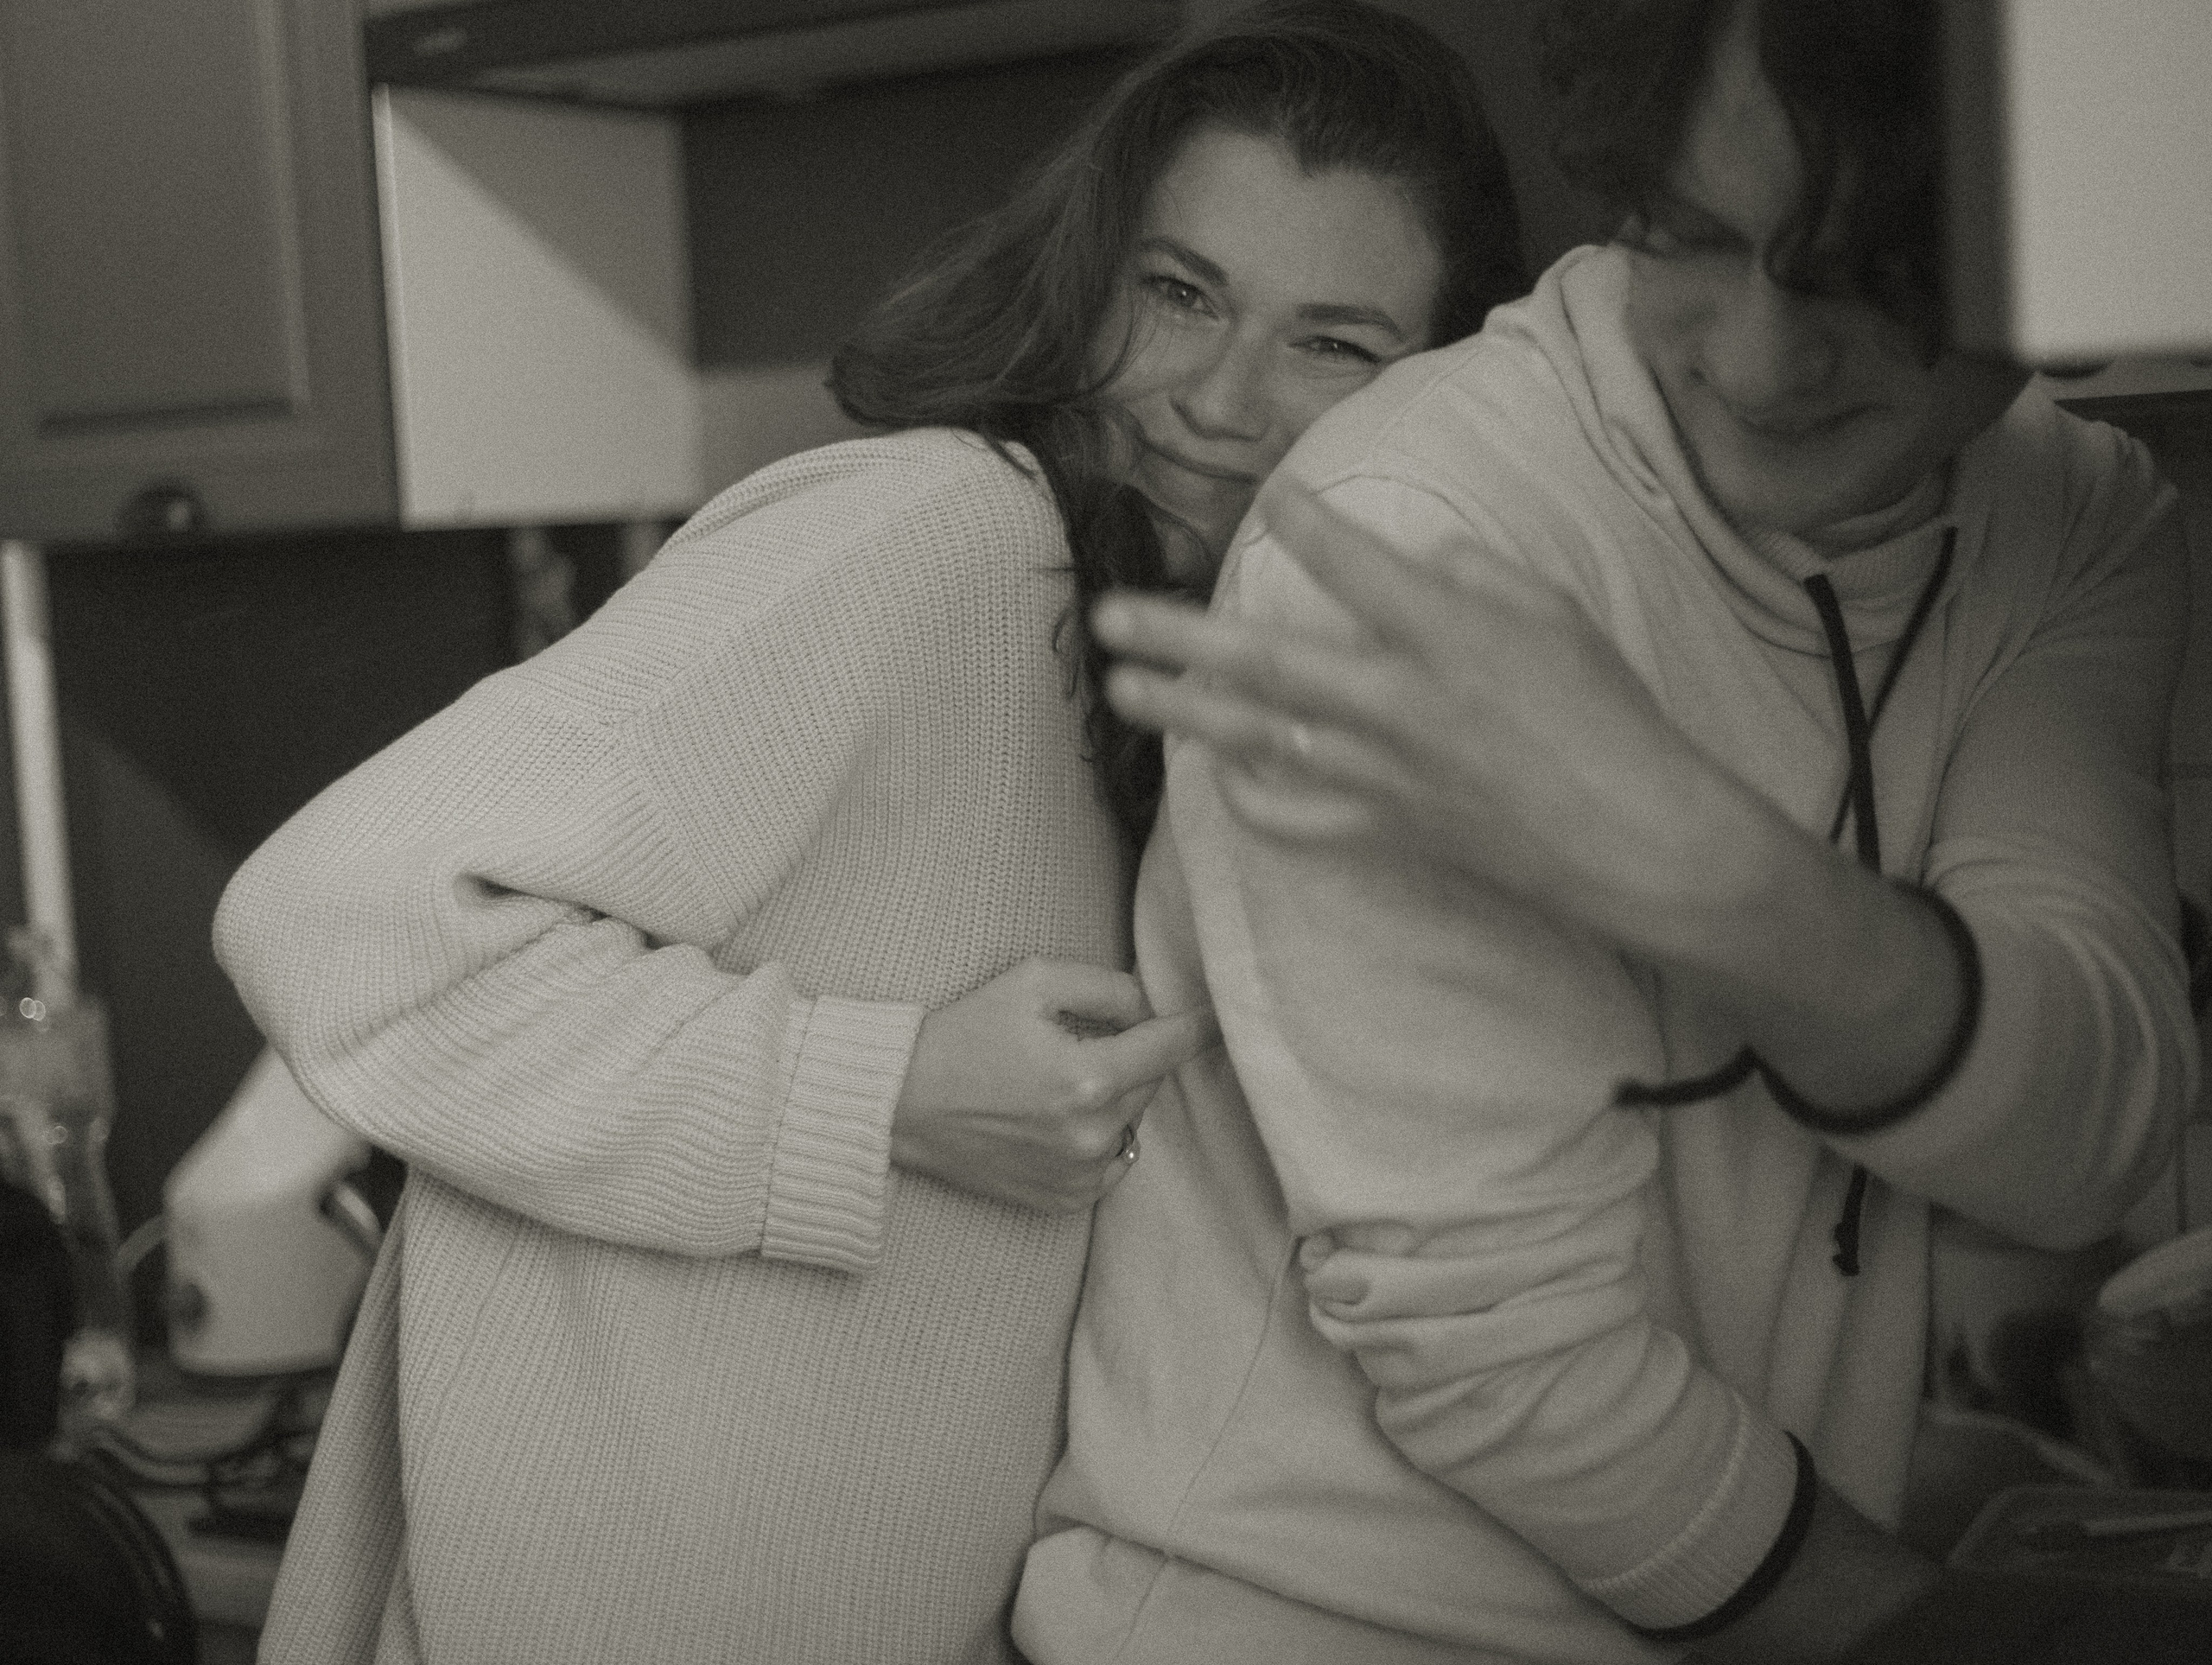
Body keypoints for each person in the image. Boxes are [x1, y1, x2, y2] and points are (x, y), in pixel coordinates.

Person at [213, 5, 1528, 1662]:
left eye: (1332, 343)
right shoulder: (949, 538)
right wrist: (879, 1093)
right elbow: (336, 910)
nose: (1219, 399)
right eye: (1179, 293)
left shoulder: (1197, 700)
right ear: (1087, 274)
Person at [1014, 1, 2199, 1661]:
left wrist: (1710, 876)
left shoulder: (2078, 516)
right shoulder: (1410, 540)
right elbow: (1500, 1346)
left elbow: (2088, 1135)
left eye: (1874, 271)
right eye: (1693, 237)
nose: (1766, 356)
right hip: (1284, 1621)